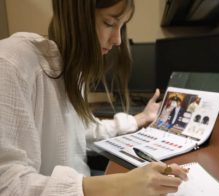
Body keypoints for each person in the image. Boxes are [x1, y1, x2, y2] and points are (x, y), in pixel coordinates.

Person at [0, 0, 188, 195]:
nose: (118, 40)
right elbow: (7, 184)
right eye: (109, 23)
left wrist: (140, 118)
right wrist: (121, 185)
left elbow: (83, 130)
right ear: (75, 15)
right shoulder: (10, 62)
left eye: (121, 26)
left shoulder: (71, 70)